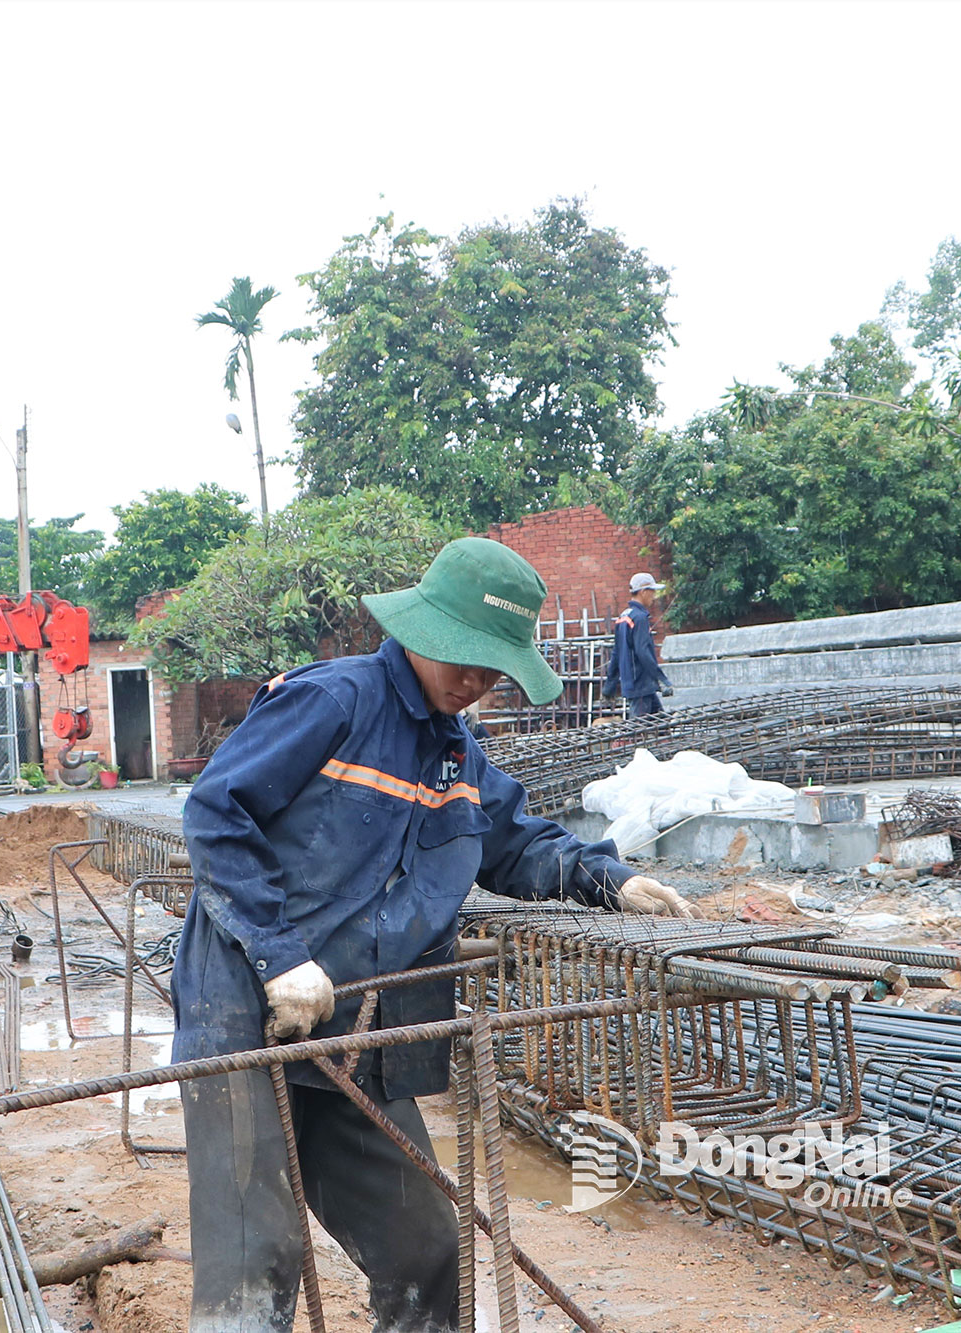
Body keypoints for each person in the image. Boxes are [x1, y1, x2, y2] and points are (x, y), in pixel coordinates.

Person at [173, 537, 697, 1333]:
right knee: (259, 1253)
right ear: (422, 630)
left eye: (493, 667)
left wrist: (609, 878)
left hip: (357, 1024)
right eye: (467, 657)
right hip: (247, 1006)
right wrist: (280, 957)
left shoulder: (457, 754)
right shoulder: (331, 703)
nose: (479, 680)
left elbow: (512, 839)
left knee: (428, 1243)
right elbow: (216, 811)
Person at [601, 571, 675, 716]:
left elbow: (616, 653)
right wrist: (661, 679)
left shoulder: (623, 617)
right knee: (639, 733)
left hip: (639, 686)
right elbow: (643, 651)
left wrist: (609, 686)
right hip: (640, 685)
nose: (654, 597)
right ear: (643, 592)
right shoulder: (639, 618)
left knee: (661, 726)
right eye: (652, 592)